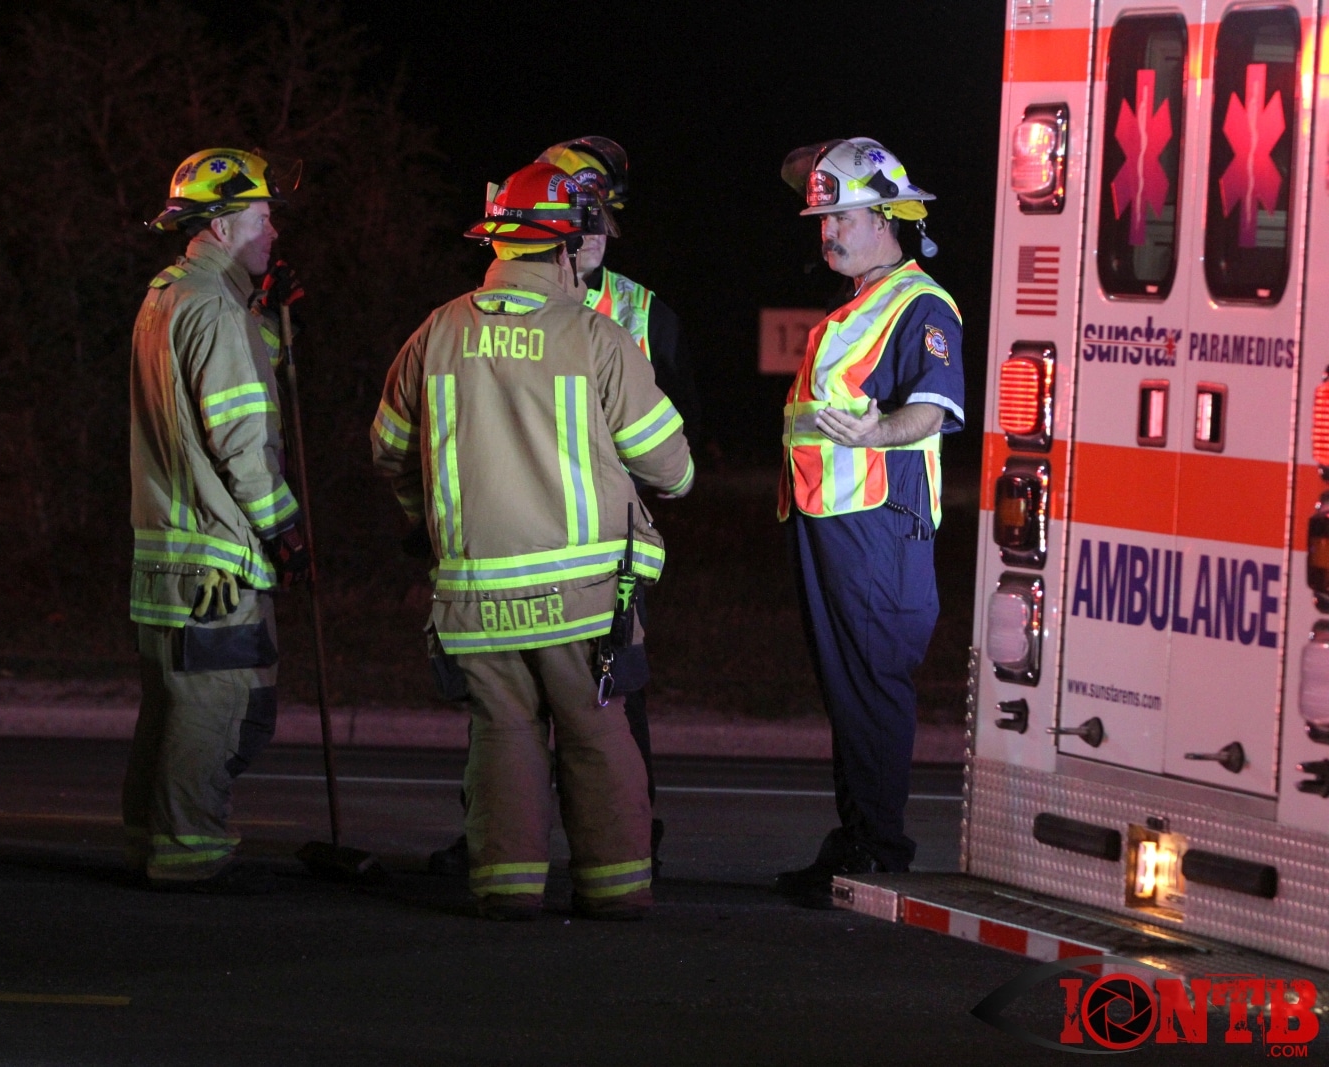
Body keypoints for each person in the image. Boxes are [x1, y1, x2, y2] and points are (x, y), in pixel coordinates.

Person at [372, 161, 694, 921]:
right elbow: (673, 470)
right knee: (595, 734)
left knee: (504, 735)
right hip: (583, 601)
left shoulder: (436, 330)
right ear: (565, 245)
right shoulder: (596, 336)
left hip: (475, 594)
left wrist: (432, 517)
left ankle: (508, 887)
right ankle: (614, 891)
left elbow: (389, 448)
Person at [771, 138, 964, 908]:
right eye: (820, 220)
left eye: (840, 216)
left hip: (876, 529)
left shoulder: (920, 303)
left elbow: (933, 405)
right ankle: (857, 840)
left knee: (872, 688)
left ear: (886, 217)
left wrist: (879, 434)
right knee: (849, 692)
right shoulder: (856, 307)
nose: (827, 233)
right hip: (834, 523)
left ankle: (879, 849)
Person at [124, 147, 310, 894]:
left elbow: (236, 380)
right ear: (229, 222)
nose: (273, 232)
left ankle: (152, 837)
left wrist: (266, 311)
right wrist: (285, 529)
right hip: (216, 560)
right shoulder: (212, 307)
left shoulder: (175, 294)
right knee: (224, 708)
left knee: (173, 708)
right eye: (264, 217)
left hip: (167, 552)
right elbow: (243, 432)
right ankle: (189, 849)